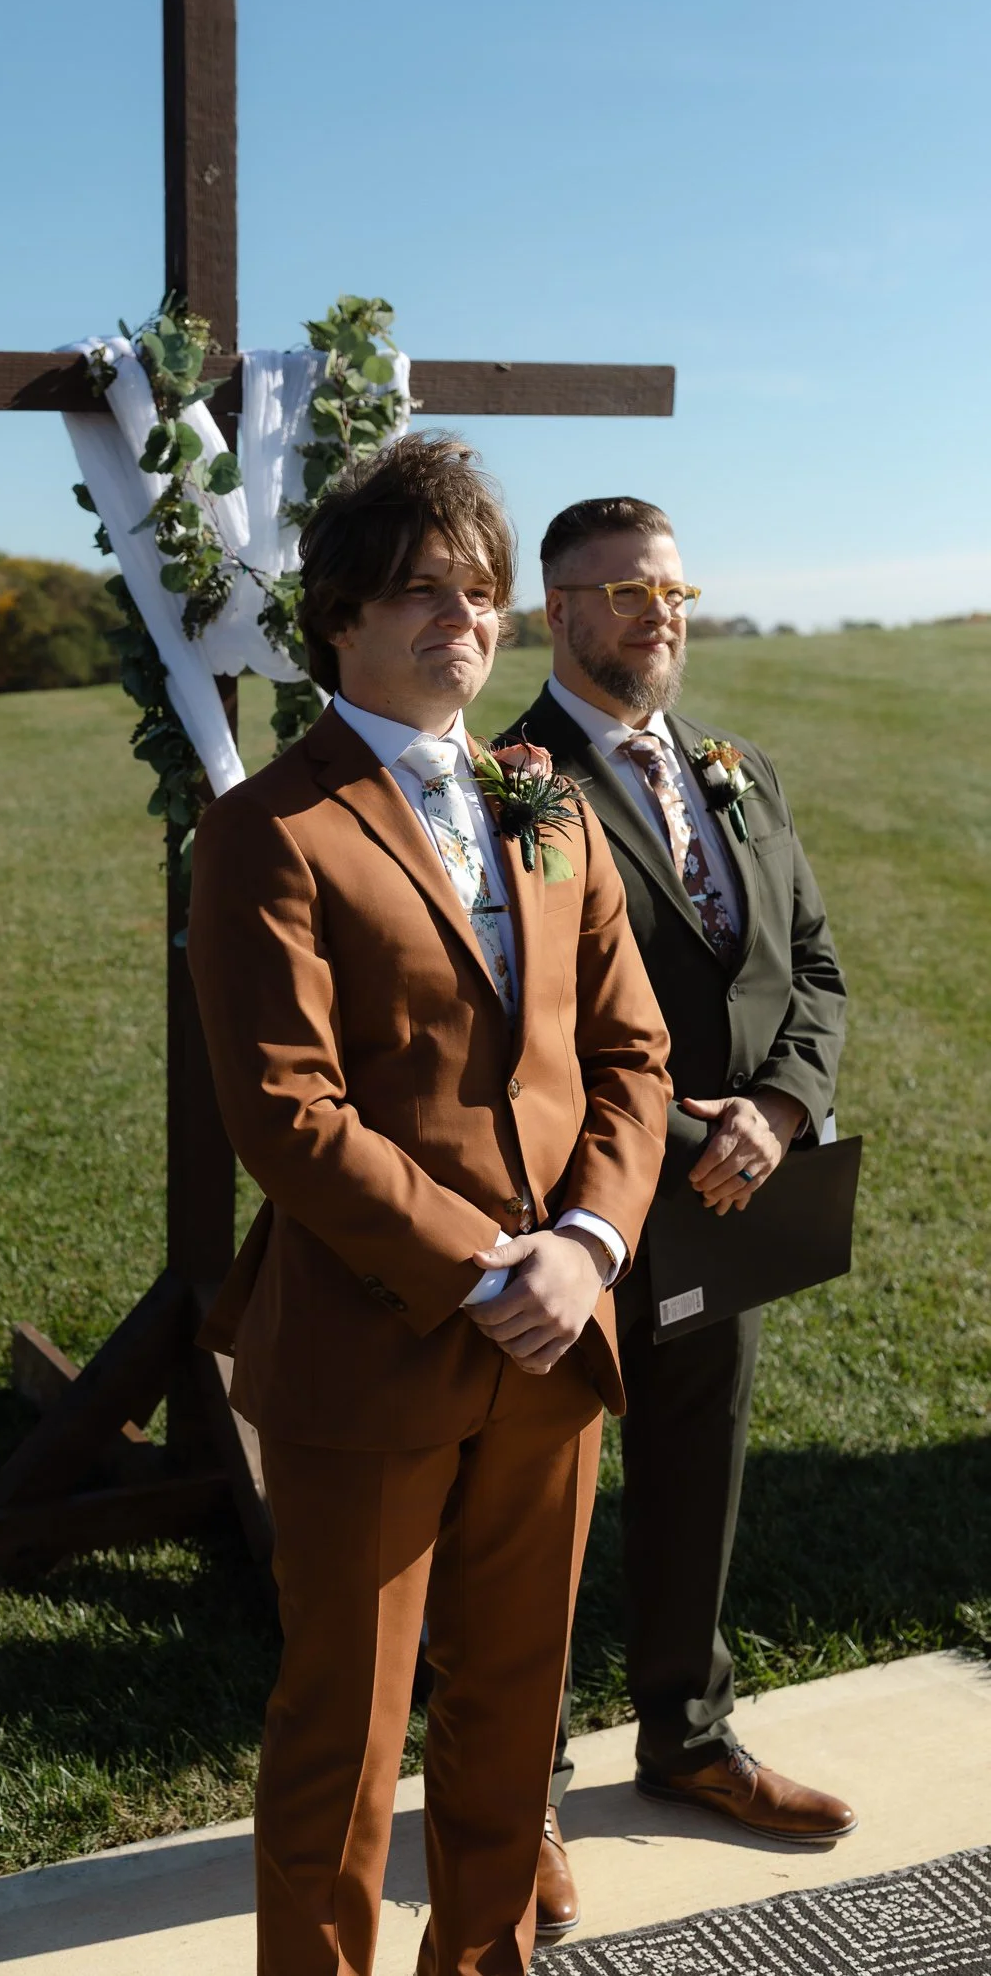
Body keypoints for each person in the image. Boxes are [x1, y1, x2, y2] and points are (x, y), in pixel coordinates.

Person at [187, 435, 671, 1976]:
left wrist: (585, 1247)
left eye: (477, 592)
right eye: (416, 592)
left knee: (513, 1710)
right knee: (344, 1732)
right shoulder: (269, 828)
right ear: (340, 617)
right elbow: (286, 1111)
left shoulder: (548, 804)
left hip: (554, 1346)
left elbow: (632, 1054)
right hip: (370, 1346)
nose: (458, 620)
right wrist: (485, 1268)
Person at [505, 496, 853, 1942]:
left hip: (732, 1196)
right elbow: (510, 1013)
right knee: (537, 1504)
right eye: (629, 591)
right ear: (561, 610)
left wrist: (775, 1108)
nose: (663, 614)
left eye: (676, 588)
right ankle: (513, 1792)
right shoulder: (512, 779)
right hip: (581, 1196)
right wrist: (663, 1130)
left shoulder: (741, 769)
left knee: (699, 1455)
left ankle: (688, 1734)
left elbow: (814, 967)